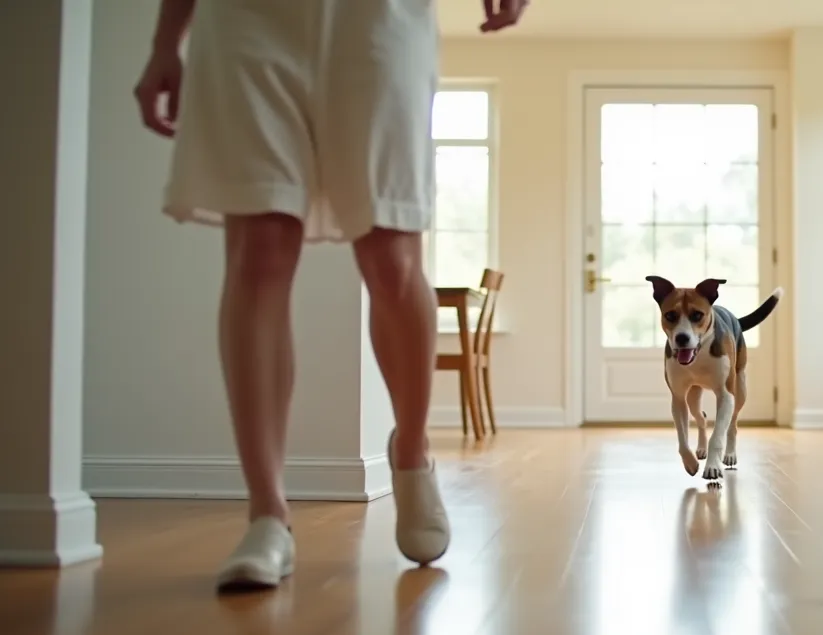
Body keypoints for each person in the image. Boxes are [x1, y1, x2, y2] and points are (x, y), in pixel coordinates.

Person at [132, 0, 527, 591]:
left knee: (391, 253)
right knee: (258, 250)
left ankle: (412, 452)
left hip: (379, 19)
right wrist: (167, 41)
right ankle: (267, 513)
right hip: (245, 21)